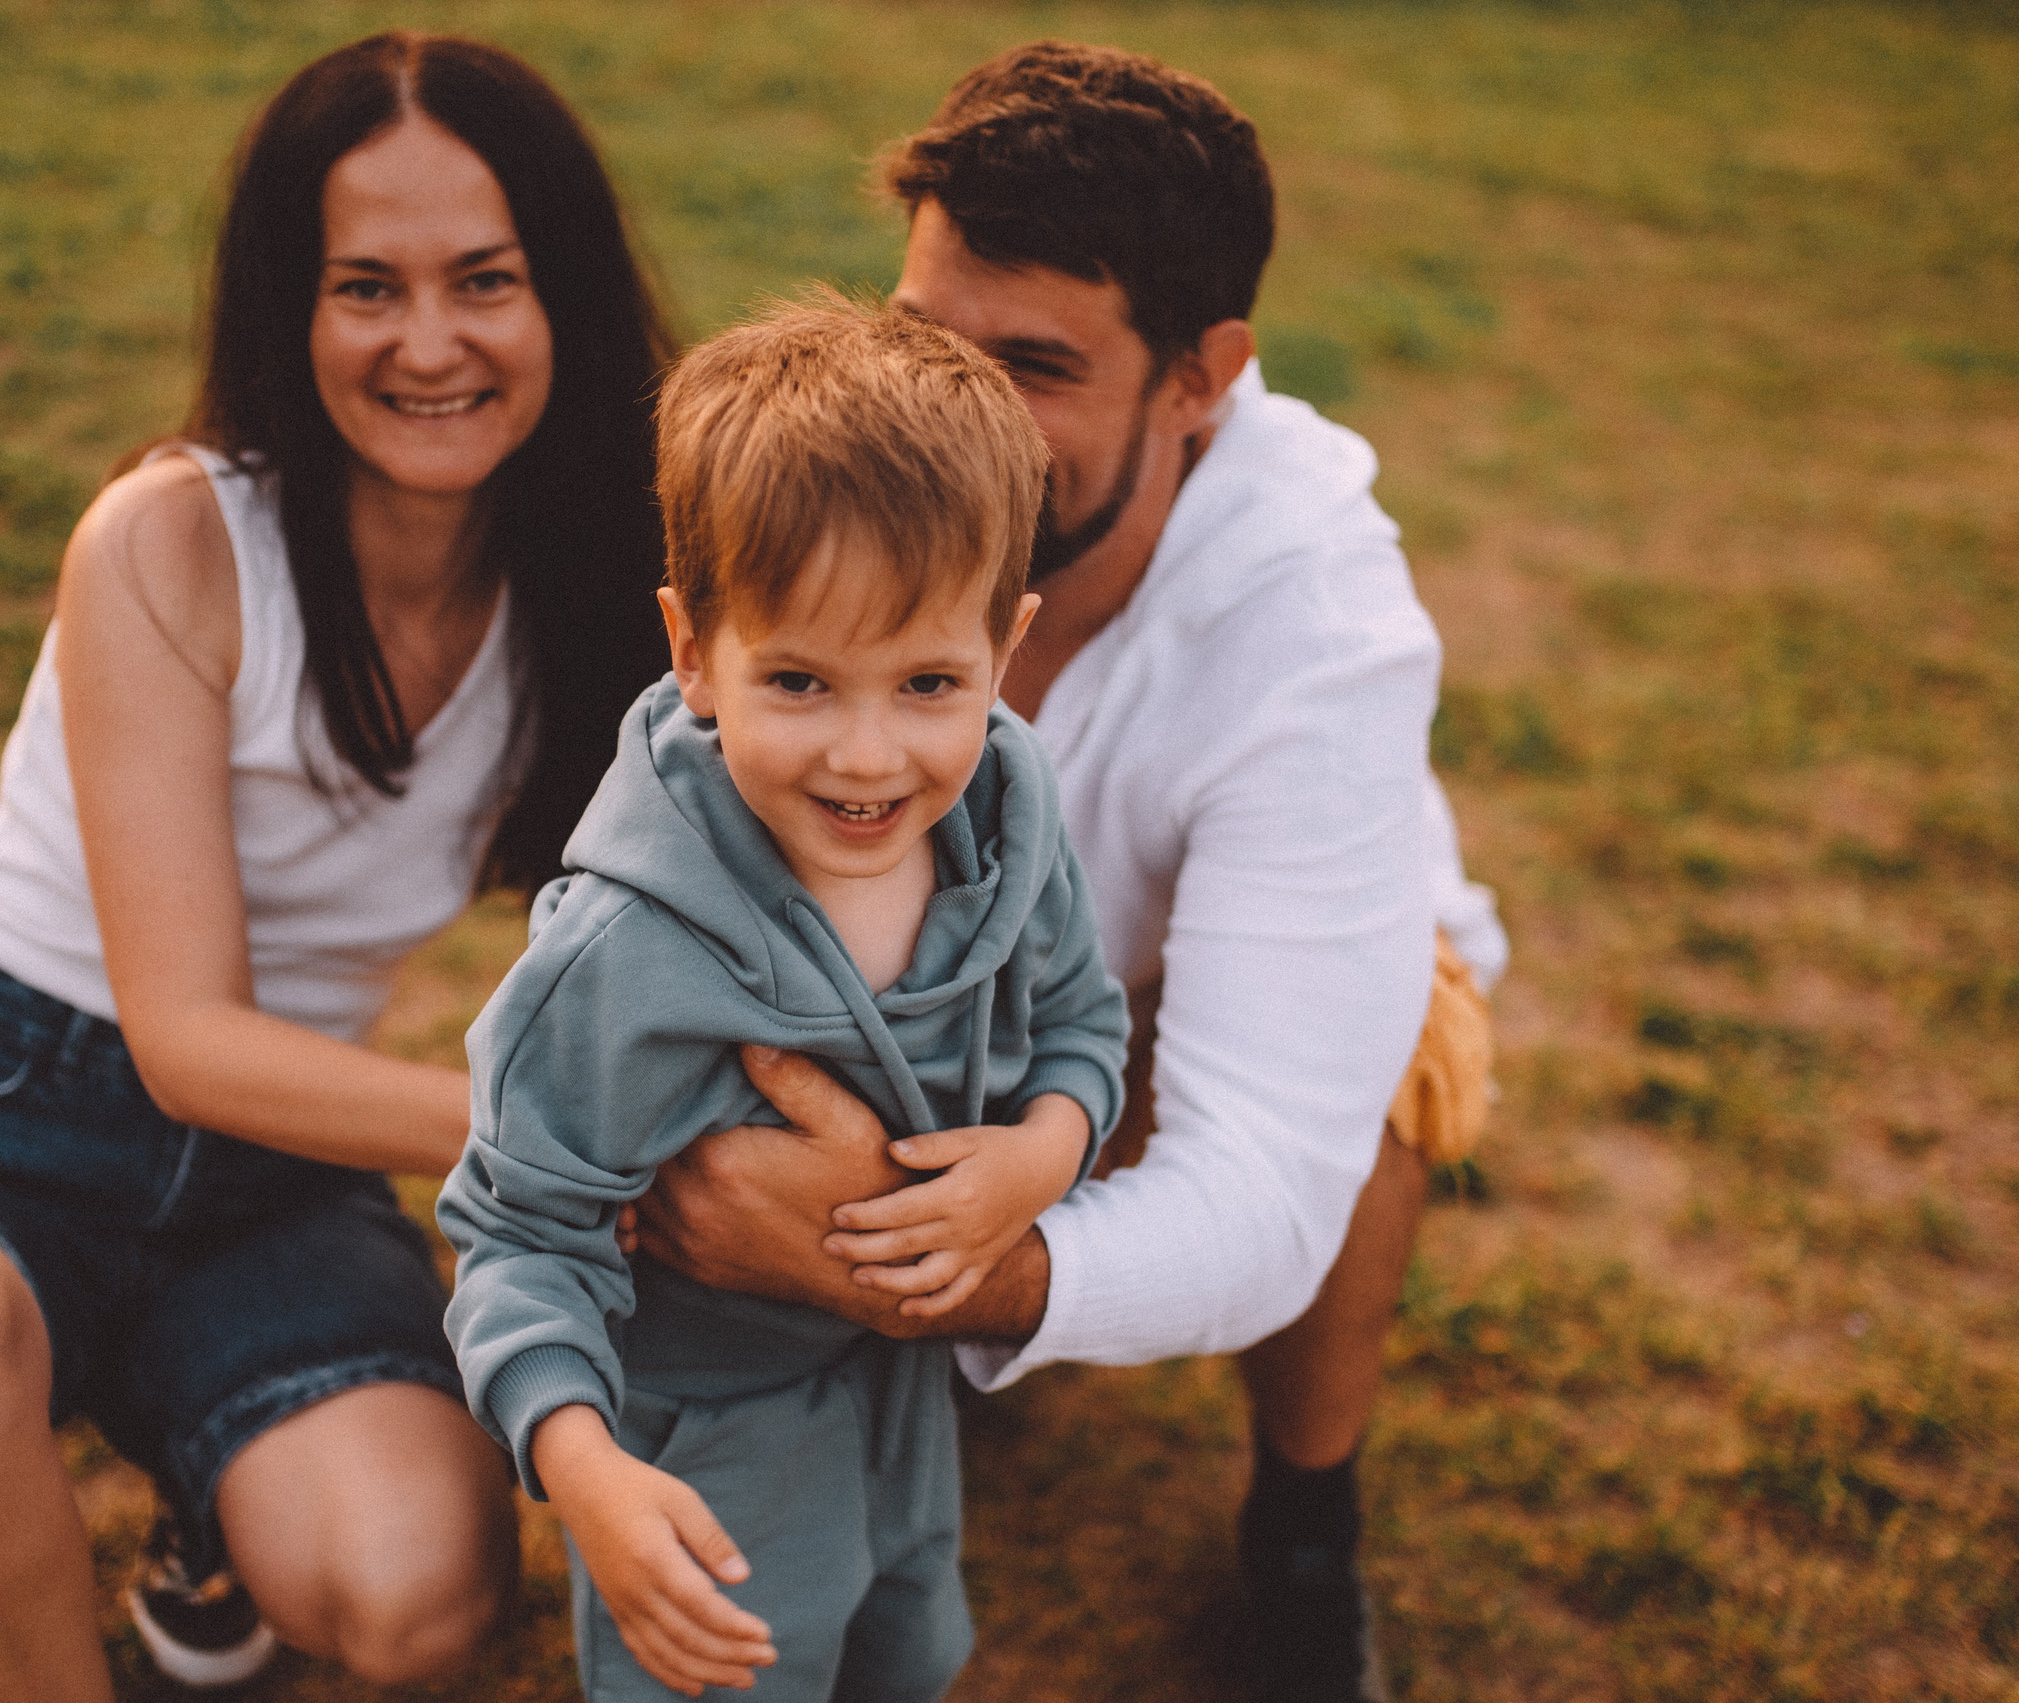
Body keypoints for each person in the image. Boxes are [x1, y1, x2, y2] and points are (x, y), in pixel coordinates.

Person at [0, 33, 673, 1700]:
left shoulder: (592, 584)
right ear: (286, 310)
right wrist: (582, 1144)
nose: (430, 342)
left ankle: (212, 1507)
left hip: (273, 1177)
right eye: (365, 287)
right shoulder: (174, 536)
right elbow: (183, 1037)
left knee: (420, 1589)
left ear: (564, 301)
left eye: (484, 281)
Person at [626, 41, 1507, 1703]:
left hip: (1171, 1001)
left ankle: (1306, 1521)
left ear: (1203, 376)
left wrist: (901, 1270)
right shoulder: (825, 459)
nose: (945, 416)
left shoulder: (1316, 624)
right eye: (924, 338)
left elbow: (1264, 1189)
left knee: (1380, 1084)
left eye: (1033, 365)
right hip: (898, 978)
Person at [438, 298, 1131, 1703]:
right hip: (704, 1439)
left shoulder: (1011, 819)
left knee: (907, 1653)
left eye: (931, 681)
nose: (868, 756)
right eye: (800, 681)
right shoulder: (619, 950)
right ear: (694, 652)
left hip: (905, 1405)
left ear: (1008, 645)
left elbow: (1081, 1022)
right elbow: (517, 1238)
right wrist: (589, 1473)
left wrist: (1041, 1153)